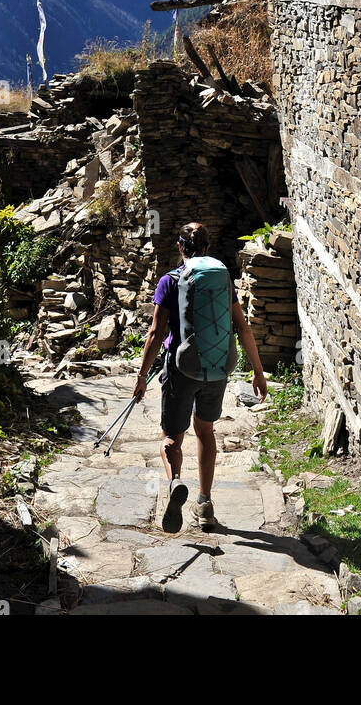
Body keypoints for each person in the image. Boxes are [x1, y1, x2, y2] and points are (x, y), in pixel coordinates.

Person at [132, 222, 267, 533]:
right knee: (205, 431)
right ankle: (204, 504)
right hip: (217, 367)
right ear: (207, 248)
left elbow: (156, 333)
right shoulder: (222, 281)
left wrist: (141, 376)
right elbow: (242, 327)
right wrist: (258, 372)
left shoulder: (169, 281)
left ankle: (176, 483)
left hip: (181, 369)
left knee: (170, 438)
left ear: (181, 248)